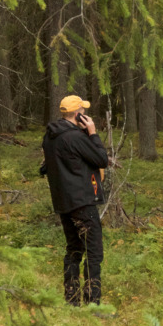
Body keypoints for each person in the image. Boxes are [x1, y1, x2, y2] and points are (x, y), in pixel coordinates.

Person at [41, 95, 109, 306]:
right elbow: (101, 159)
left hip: (63, 202)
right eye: (83, 110)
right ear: (78, 114)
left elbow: (46, 167)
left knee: (74, 249)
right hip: (82, 201)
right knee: (94, 252)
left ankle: (71, 299)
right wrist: (93, 133)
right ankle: (92, 304)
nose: (86, 113)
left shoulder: (50, 137)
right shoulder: (75, 137)